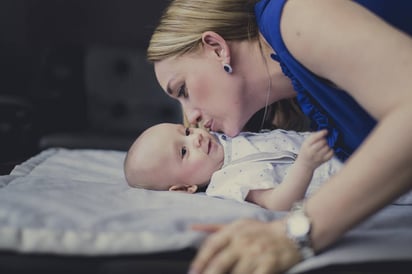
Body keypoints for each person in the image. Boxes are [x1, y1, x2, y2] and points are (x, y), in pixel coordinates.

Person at [146, 0, 412, 273]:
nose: (191, 117)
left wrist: (295, 232)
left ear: (216, 48)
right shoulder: (309, 98)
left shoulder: (298, 15)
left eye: (183, 91)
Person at [124, 123, 341, 211]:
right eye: (183, 152)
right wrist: (305, 165)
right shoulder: (226, 183)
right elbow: (278, 202)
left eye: (187, 132)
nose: (196, 139)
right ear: (183, 188)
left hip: (338, 145)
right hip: (336, 181)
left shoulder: (224, 134)